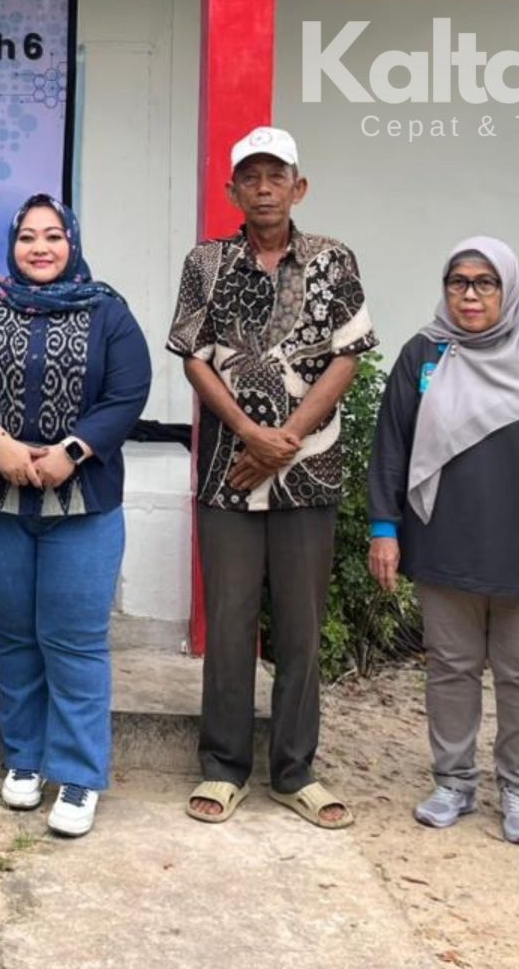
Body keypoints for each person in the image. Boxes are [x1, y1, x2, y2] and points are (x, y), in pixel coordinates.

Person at [167, 126, 374, 830]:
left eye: (275, 176)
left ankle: (294, 771)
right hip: (228, 471)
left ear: (298, 187)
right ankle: (224, 767)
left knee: (300, 627)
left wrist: (286, 441)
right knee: (228, 623)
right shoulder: (206, 262)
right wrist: (249, 433)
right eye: (250, 178)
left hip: (309, 471)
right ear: (232, 191)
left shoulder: (333, 260)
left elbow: (348, 355)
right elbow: (193, 357)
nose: (263, 189)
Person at [366, 236, 519, 846]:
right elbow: (392, 446)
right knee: (450, 668)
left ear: (508, 289)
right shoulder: (424, 354)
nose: (469, 295)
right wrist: (384, 527)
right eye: (458, 282)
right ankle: (453, 782)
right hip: (443, 542)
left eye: (485, 283)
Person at [0, 194, 151, 837]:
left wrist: (72, 452)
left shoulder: (109, 313)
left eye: (53, 236)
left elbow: (127, 393)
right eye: (28, 237)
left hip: (83, 504)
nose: (40, 248)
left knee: (75, 640)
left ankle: (79, 774)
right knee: (14, 637)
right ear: (12, 247)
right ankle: (24, 758)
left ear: (71, 243)